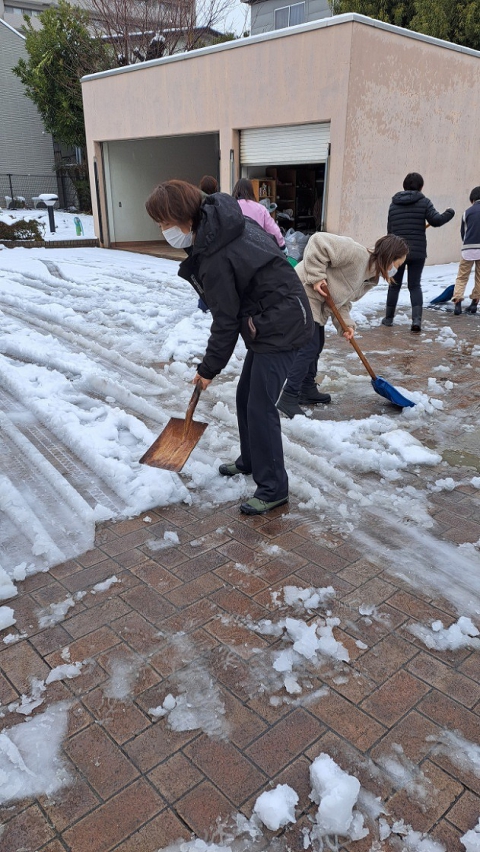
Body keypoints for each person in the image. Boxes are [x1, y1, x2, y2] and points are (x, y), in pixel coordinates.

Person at [145, 179, 314, 515]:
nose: (163, 230)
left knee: (261, 407)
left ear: (184, 218)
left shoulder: (214, 254)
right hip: (270, 318)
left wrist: (208, 369)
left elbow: (226, 320)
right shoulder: (221, 223)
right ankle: (251, 460)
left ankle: (273, 488)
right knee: (245, 396)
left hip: (282, 323)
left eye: (164, 223)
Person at [276, 232, 408, 419]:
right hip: (301, 288)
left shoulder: (370, 278)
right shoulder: (357, 254)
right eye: (398, 264)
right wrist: (317, 276)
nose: (396, 269)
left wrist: (346, 325)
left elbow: (342, 302)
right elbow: (318, 241)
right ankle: (288, 397)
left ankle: (306, 389)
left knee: (317, 344)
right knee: (309, 345)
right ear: (389, 257)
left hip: (316, 302)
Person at [381, 172, 455, 333]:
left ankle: (388, 319)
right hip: (417, 251)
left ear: (404, 186)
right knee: (414, 285)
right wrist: (449, 213)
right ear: (421, 187)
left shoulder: (393, 205)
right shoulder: (424, 202)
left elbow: (390, 230)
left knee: (394, 286)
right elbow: (435, 221)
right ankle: (416, 321)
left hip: (397, 252)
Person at [232, 178, 287, 252]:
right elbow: (273, 230)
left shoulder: (230, 207)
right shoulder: (261, 208)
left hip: (234, 251)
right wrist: (282, 246)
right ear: (251, 191)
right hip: (257, 251)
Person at [452, 186, 480, 315]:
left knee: (462, 277)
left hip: (468, 248)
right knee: (479, 277)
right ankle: (474, 303)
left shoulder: (467, 212)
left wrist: (467, 243)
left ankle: (457, 302)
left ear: (472, 199)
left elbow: (463, 232)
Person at [197, 176, 218, 312]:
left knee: (204, 278)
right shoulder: (218, 203)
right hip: (217, 245)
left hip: (202, 246)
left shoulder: (197, 203)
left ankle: (203, 305)